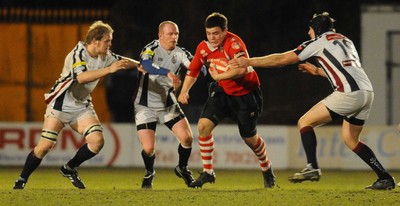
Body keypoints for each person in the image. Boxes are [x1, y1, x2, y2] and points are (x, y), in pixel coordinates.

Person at [230, 12, 395, 190]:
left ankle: (312, 167)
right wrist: (317, 72)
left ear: (315, 29)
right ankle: (385, 177)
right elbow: (345, 68)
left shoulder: (318, 42)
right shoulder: (346, 40)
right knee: (350, 139)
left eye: (309, 30)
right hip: (367, 92)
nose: (308, 33)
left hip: (349, 92)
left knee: (304, 122)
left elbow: (281, 59)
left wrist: (248, 61)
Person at [13, 20, 139, 189]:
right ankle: (22, 179)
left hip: (81, 106)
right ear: (94, 41)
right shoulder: (77, 54)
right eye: (107, 41)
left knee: (97, 141)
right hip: (61, 105)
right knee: (44, 147)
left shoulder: (104, 55)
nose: (110, 44)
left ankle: (69, 168)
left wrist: (140, 66)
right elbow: (81, 77)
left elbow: (122, 61)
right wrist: (109, 70)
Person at [178, 12, 276, 189]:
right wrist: (184, 90)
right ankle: (208, 172)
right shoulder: (203, 47)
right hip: (222, 92)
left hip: (246, 95)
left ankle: (266, 168)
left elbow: (242, 70)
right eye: (208, 33)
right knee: (203, 126)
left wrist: (219, 75)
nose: (212, 38)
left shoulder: (234, 43)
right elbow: (193, 70)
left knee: (250, 139)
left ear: (225, 31)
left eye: (215, 33)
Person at [134, 21, 195, 189]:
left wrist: (205, 68)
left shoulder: (180, 52)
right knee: (148, 149)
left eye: (176, 34)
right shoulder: (151, 48)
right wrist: (167, 72)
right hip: (145, 105)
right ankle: (149, 172)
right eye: (170, 34)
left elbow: (195, 67)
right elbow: (145, 64)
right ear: (160, 35)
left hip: (167, 103)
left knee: (187, 138)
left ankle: (182, 168)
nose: (174, 37)